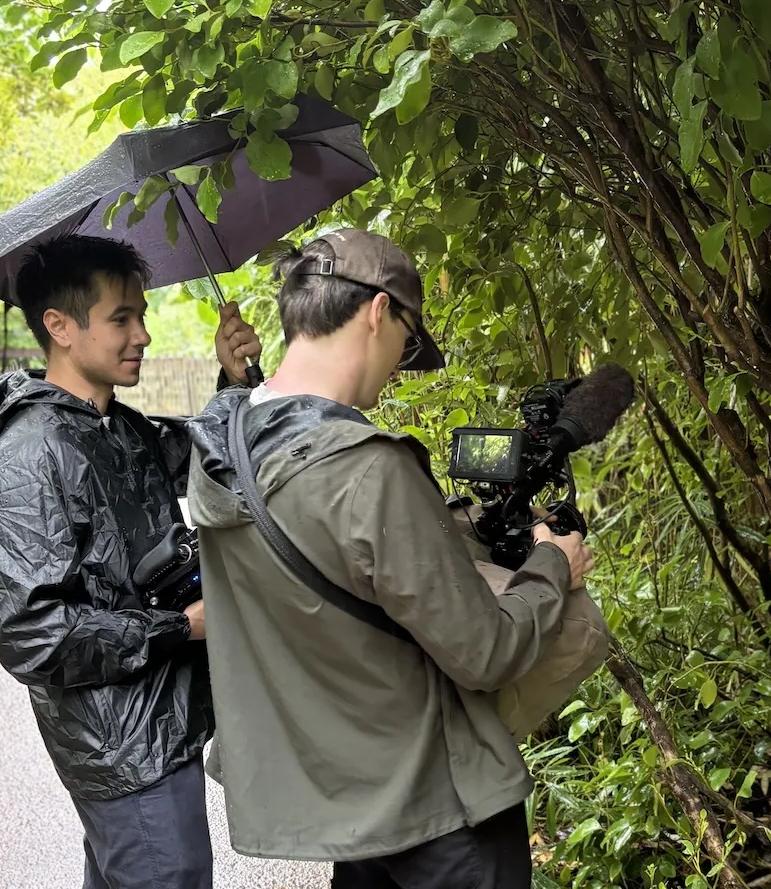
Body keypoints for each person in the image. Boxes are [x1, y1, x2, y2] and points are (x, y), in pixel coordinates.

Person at [186, 228, 595, 889]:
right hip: (439, 807)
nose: (402, 360)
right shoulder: (365, 468)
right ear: (378, 313)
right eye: (408, 339)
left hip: (351, 807)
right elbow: (485, 652)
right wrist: (553, 567)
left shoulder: (220, 452)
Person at [0, 234, 262, 889]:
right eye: (121, 318)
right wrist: (182, 627)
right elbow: (33, 638)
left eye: (142, 316)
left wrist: (234, 382)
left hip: (158, 730)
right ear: (60, 327)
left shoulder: (114, 427)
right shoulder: (27, 460)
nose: (143, 336)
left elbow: (206, 457)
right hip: (120, 751)